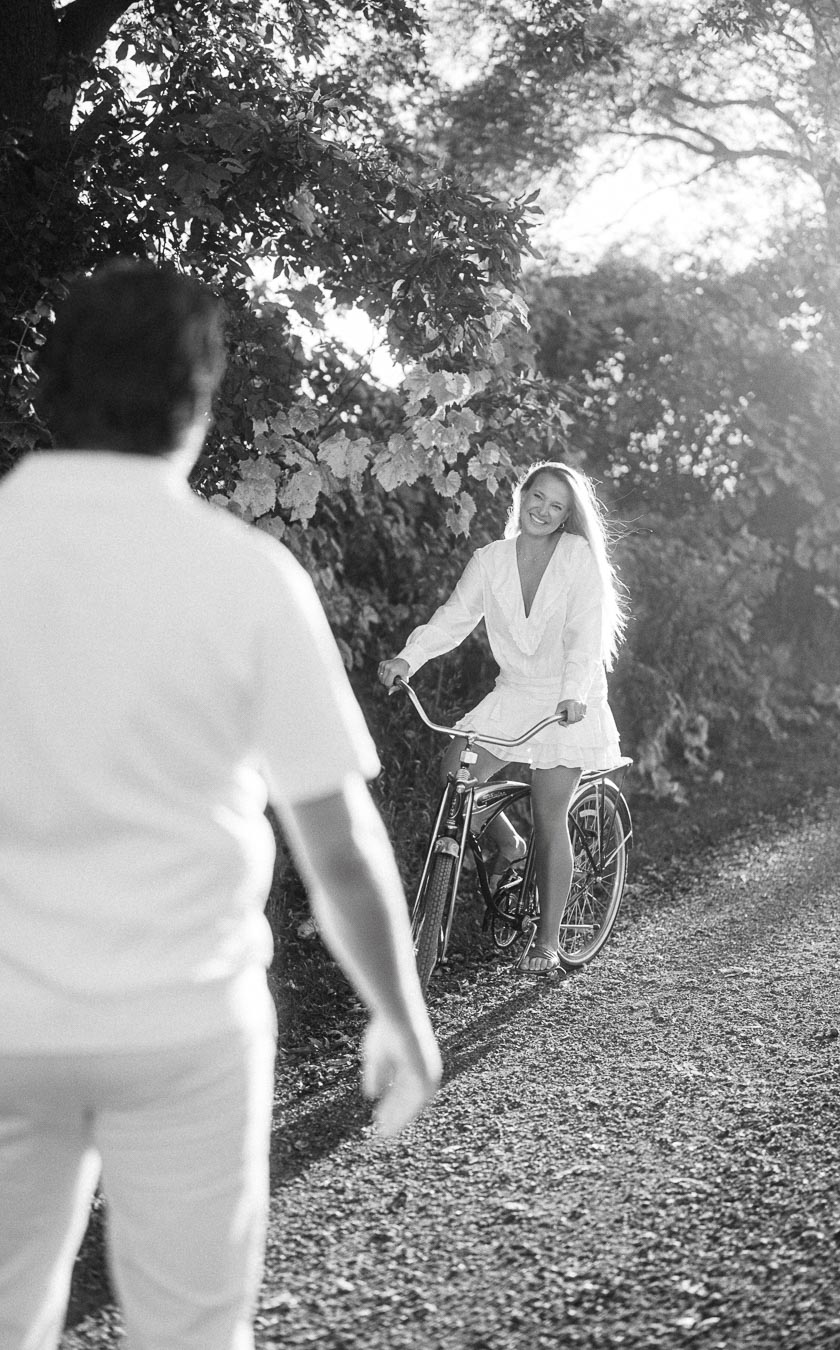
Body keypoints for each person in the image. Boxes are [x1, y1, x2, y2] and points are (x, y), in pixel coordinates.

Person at [0, 258, 441, 1350]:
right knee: (192, 1334)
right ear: (196, 402)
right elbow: (336, 846)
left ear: (48, 390)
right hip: (188, 1027)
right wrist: (399, 1012)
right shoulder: (246, 577)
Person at [378, 461, 626, 975]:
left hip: (566, 698)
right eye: (538, 497)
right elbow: (453, 617)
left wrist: (575, 693)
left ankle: (547, 942)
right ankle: (509, 846)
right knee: (455, 771)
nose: (543, 510)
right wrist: (409, 658)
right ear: (522, 496)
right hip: (514, 694)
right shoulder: (490, 560)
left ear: (566, 517)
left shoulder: (577, 558)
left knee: (548, 811)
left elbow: (584, 634)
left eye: (557, 506)